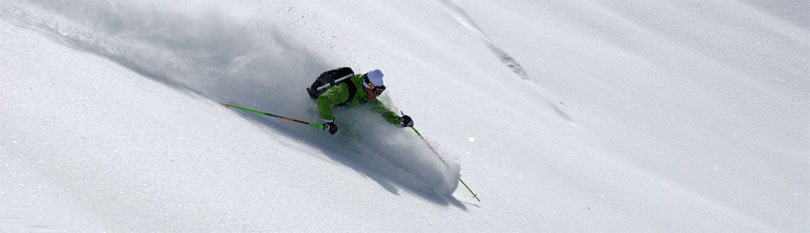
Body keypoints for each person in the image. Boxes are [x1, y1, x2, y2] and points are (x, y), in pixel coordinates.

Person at [316, 69, 414, 135]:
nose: (377, 95)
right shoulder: (345, 90)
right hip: (318, 110)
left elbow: (384, 113)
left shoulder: (367, 97)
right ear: (368, 86)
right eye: (376, 91)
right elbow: (323, 100)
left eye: (380, 92)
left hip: (333, 111)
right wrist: (329, 121)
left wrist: (400, 121)